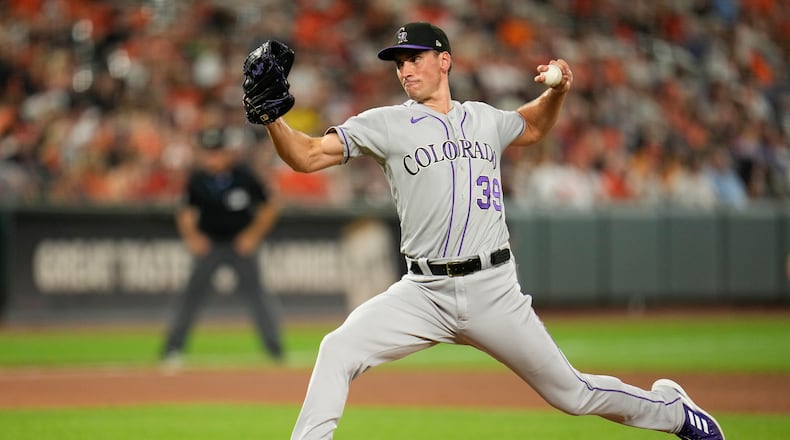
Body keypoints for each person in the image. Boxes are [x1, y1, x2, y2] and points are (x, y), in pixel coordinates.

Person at [258, 22, 725, 440]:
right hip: (424, 292)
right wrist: (272, 120)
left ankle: (673, 412)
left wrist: (557, 93)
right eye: (399, 62)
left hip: (493, 289)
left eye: (414, 57)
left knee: (573, 394)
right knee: (338, 348)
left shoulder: (483, 118)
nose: (405, 69)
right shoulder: (385, 123)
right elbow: (307, 156)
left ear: (444, 61)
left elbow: (531, 126)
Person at [161, 127, 283, 365]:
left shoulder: (243, 175)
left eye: (217, 152)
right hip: (211, 245)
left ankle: (274, 350)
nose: (212, 158)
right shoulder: (198, 179)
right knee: (191, 297)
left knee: (257, 296)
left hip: (240, 245)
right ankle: (173, 349)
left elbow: (270, 207)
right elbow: (185, 212)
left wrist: (252, 236)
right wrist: (194, 239)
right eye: (208, 152)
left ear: (227, 153)